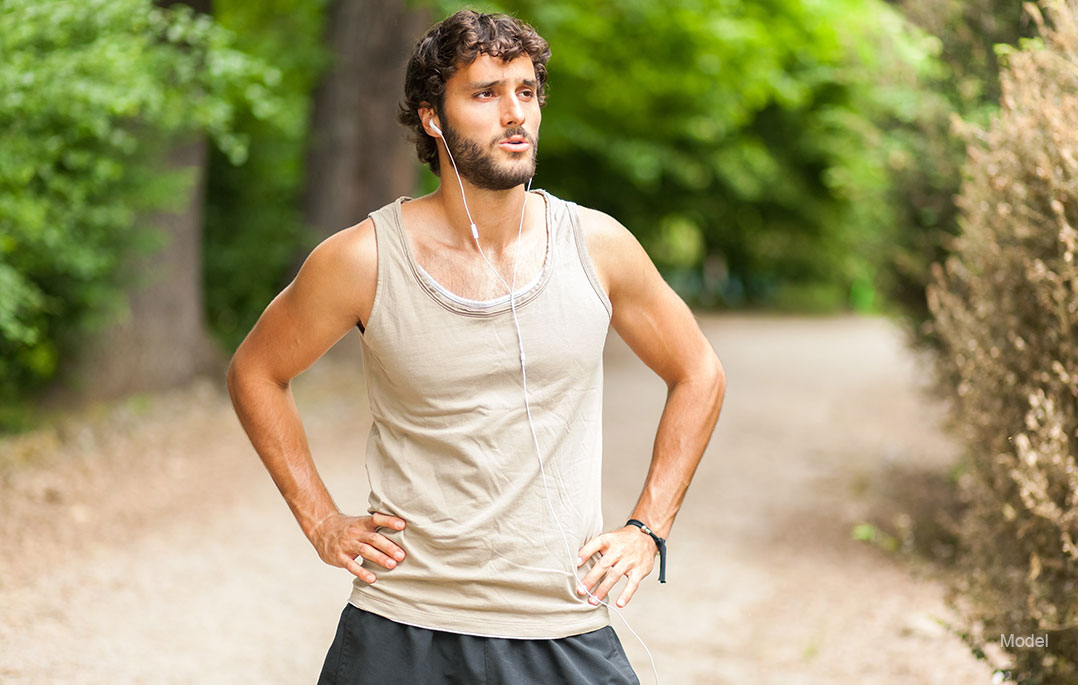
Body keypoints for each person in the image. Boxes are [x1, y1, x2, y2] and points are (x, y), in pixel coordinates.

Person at [226, 9, 725, 684]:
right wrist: (320, 521)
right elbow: (256, 371)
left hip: (561, 622)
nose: (515, 113)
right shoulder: (363, 259)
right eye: (486, 93)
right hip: (402, 624)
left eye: (527, 91)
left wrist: (649, 527)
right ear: (433, 117)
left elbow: (699, 372)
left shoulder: (598, 247)